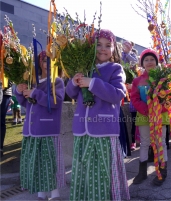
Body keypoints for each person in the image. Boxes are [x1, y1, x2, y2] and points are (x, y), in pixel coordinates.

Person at [66, 29, 130, 201]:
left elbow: (118, 94)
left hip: (103, 130)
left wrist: (92, 83)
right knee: (82, 169)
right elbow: (71, 94)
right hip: (82, 129)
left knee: (102, 171)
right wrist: (74, 82)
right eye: (98, 44)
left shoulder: (115, 68)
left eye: (108, 45)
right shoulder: (85, 68)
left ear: (113, 49)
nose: (103, 49)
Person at [15, 51, 66, 200]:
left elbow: (56, 102)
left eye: (51, 61)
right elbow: (25, 104)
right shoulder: (33, 82)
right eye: (45, 61)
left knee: (50, 164)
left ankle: (55, 194)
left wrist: (35, 93)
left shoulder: (57, 82)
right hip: (32, 131)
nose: (48, 65)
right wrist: (19, 93)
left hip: (47, 130)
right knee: (37, 163)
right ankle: (41, 194)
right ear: (39, 64)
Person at [131, 49, 169, 186]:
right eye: (146, 60)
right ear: (142, 63)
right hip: (144, 115)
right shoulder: (137, 80)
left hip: (160, 115)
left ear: (156, 61)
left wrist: (159, 109)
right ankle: (142, 173)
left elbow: (169, 98)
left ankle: (162, 172)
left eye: (152, 59)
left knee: (161, 143)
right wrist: (146, 109)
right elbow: (134, 98)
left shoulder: (163, 78)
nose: (149, 62)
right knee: (145, 143)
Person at [1, 80, 13, 157]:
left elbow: (10, 77)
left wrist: (2, 87)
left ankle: (0, 148)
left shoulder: (7, 67)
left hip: (4, 93)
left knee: (0, 121)